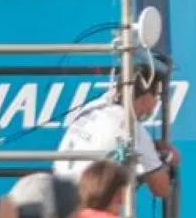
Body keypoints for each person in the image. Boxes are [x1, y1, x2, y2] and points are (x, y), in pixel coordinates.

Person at [55, 69, 178, 201]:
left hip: (60, 194)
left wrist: (153, 146)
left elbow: (110, 141)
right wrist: (168, 162)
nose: (155, 105)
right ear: (148, 96)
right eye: (157, 97)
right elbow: (161, 189)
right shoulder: (131, 127)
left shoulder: (94, 107)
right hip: (85, 202)